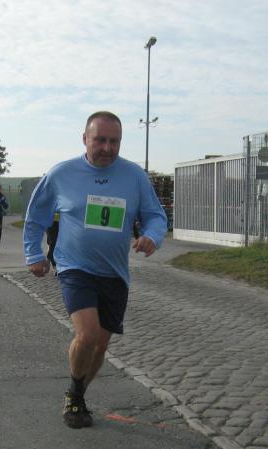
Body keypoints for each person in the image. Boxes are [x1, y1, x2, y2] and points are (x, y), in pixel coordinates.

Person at [23, 111, 168, 429]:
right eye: (100, 140)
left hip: (115, 272)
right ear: (85, 139)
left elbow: (156, 215)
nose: (107, 148)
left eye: (114, 141)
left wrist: (152, 236)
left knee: (100, 345)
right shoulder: (62, 174)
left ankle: (77, 393)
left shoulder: (134, 176)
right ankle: (75, 396)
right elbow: (36, 217)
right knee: (87, 334)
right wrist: (33, 253)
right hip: (75, 267)